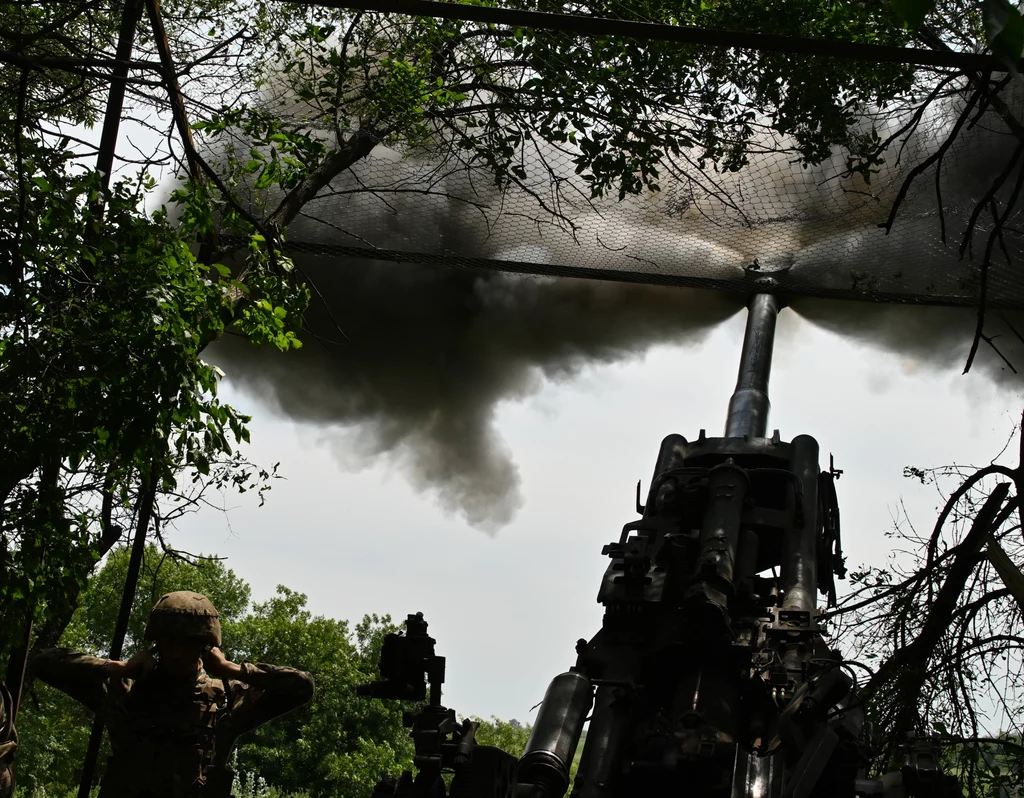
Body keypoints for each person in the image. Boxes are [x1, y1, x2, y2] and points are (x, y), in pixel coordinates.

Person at [31, 590, 315, 797]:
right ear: (156, 644)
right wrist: (114, 667)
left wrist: (235, 670)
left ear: (205, 646)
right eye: (169, 643)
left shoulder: (226, 699)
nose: (177, 653)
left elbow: (302, 687)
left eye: (188, 644)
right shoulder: (125, 692)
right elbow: (41, 661)